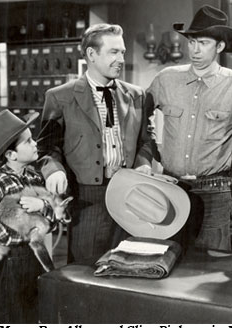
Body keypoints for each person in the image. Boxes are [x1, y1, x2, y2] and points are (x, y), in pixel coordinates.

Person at [38, 23, 153, 263]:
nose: (121, 58)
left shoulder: (137, 95)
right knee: (86, 269)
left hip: (129, 193)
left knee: (127, 265)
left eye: (122, 52)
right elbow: (47, 147)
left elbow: (146, 140)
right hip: (88, 198)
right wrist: (54, 170)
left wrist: (143, 163)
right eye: (114, 52)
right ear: (91, 54)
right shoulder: (60, 96)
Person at [146, 5, 232, 252]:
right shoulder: (166, 79)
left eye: (202, 43)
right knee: (166, 259)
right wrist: (149, 153)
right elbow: (137, 119)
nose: (195, 49)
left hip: (215, 192)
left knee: (210, 267)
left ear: (219, 47)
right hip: (171, 187)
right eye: (191, 42)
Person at [0, 109, 58, 323]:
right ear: (11, 155)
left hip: (33, 260)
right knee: (11, 317)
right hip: (9, 266)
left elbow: (52, 221)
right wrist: (14, 239)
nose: (35, 143)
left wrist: (43, 205)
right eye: (28, 142)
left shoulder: (33, 176)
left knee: (31, 315)